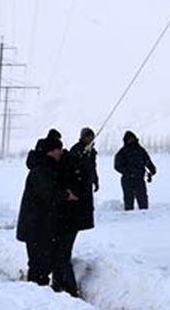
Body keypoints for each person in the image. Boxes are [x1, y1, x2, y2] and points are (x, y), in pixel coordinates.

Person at [16, 137, 74, 288]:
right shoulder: (42, 170)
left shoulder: (45, 166)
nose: (61, 152)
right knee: (39, 265)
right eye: (58, 149)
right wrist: (67, 195)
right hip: (36, 226)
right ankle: (36, 296)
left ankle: (38, 292)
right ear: (51, 151)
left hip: (39, 225)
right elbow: (48, 192)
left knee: (41, 263)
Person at [53, 127, 98, 296]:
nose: (90, 139)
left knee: (62, 253)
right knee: (62, 254)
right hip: (69, 215)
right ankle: (64, 287)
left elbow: (90, 171)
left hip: (71, 215)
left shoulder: (88, 154)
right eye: (88, 137)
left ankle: (66, 288)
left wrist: (95, 179)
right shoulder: (76, 154)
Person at [114, 130, 157, 211]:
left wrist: (152, 171)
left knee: (143, 202)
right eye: (129, 139)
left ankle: (144, 218)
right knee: (128, 201)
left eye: (132, 138)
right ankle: (129, 219)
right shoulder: (122, 152)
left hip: (139, 179)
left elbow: (147, 162)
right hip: (127, 180)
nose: (131, 140)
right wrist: (128, 172)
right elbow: (117, 166)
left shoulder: (140, 150)